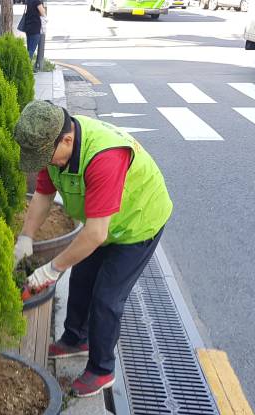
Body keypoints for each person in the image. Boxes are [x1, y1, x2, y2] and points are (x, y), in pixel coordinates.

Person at [13, 101, 173, 398]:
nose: (46, 162)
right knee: (82, 278)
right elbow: (44, 195)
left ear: (68, 140)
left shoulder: (104, 157)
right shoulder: (53, 146)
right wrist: (26, 237)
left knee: (107, 298)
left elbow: (96, 234)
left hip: (137, 223)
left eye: (47, 157)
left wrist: (50, 269)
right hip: (102, 223)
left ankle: (102, 369)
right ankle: (76, 338)